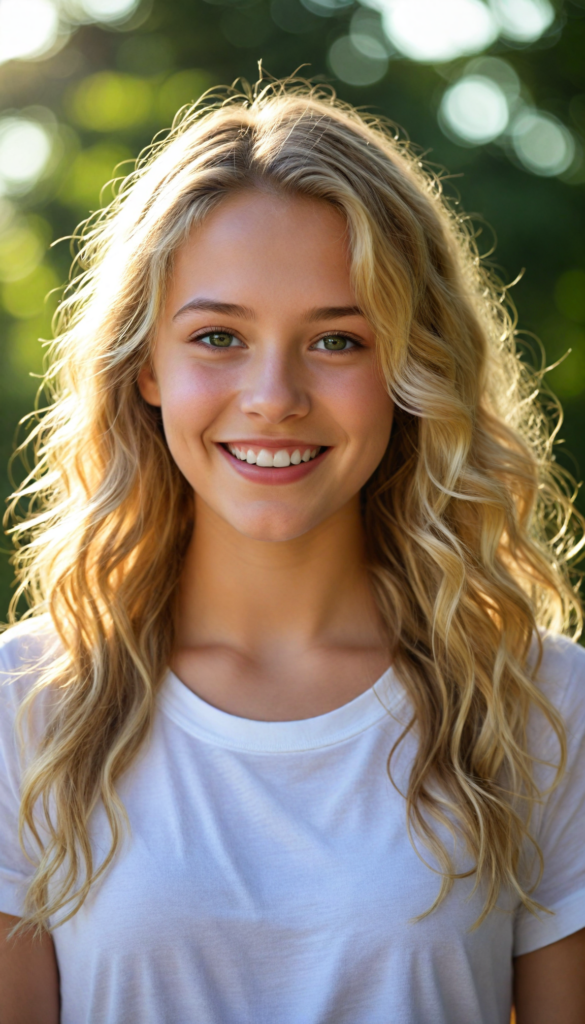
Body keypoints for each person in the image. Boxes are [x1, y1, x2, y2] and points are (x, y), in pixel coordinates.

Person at [0, 80, 584, 1024]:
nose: (273, 395)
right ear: (146, 365)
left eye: (338, 341)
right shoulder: (24, 709)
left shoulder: (541, 707)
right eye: (219, 336)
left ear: (409, 371)